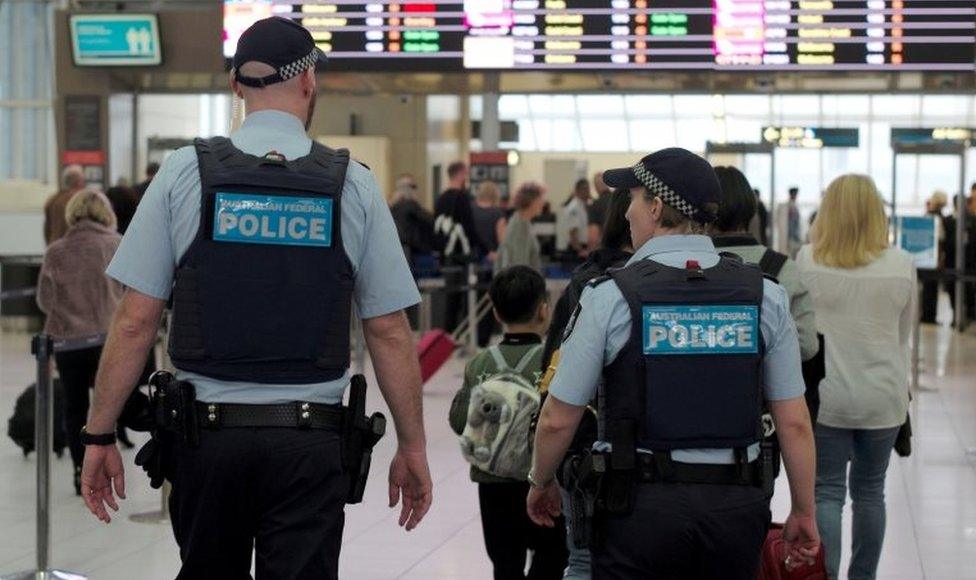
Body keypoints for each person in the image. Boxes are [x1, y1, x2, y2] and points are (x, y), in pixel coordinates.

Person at [79, 17, 433, 579]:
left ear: (236, 86)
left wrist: (99, 432)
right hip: (310, 444)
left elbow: (133, 322)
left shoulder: (182, 174)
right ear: (309, 81)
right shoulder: (354, 186)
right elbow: (388, 329)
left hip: (205, 443)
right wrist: (413, 447)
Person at [527, 148, 820, 580]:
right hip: (736, 509)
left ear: (656, 207)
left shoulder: (611, 296)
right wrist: (802, 509)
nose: (626, 212)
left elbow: (557, 418)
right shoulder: (765, 296)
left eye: (633, 199)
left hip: (637, 510)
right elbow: (793, 421)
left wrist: (540, 481)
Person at [796, 174, 914, 580]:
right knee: (870, 493)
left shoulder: (807, 259)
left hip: (828, 397)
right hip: (884, 397)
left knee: (827, 491)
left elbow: (804, 336)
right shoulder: (902, 265)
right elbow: (903, 336)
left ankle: (825, 575)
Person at [537, 188, 633, 580]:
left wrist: (542, 473)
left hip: (586, 452)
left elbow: (554, 381)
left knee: (583, 561)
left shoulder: (587, 282)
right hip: (661, 460)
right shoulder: (686, 283)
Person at [449, 266, 569, 580]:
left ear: (497, 312)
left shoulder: (480, 363)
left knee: (504, 563)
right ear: (544, 310)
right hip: (542, 481)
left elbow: (459, 420)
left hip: (493, 483)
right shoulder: (554, 360)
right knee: (551, 556)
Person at [36, 190, 124, 494]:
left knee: (75, 407)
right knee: (109, 404)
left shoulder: (56, 251)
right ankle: (108, 463)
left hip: (69, 343)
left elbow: (45, 300)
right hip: (108, 341)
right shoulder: (116, 244)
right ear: (106, 212)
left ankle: (79, 469)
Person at [711, 167, 819, 363]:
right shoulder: (785, 268)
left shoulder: (684, 267)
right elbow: (808, 346)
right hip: (765, 389)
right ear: (752, 210)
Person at [435, 161, 487, 333]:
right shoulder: (463, 198)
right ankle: (463, 334)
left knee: (451, 297)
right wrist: (486, 250)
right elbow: (469, 228)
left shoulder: (441, 198)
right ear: (461, 174)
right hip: (462, 255)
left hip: (447, 254)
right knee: (466, 297)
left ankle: (448, 334)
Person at [496, 181, 547, 273]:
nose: (543, 203)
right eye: (541, 199)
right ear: (533, 201)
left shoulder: (523, 223)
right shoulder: (520, 227)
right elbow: (519, 266)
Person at [390, 173, 435, 267]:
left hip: (412, 249)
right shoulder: (397, 207)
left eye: (411, 186)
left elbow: (429, 221)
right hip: (403, 248)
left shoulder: (414, 207)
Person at [921, 190, 949, 324]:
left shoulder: (927, 216)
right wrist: (940, 259)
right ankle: (929, 316)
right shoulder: (938, 218)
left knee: (928, 287)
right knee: (931, 288)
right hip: (933, 258)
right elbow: (940, 240)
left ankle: (927, 315)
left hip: (925, 257)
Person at [43, 165, 86, 245]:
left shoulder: (53, 200)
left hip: (54, 246)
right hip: (74, 248)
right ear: (78, 182)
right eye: (83, 180)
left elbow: (47, 229)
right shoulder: (79, 201)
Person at [556, 179, 591, 260]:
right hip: (575, 249)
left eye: (588, 189)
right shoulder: (574, 207)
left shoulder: (582, 205)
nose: (588, 192)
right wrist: (580, 251)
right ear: (579, 190)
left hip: (580, 247)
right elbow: (572, 231)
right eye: (586, 189)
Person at [775, 186, 803, 259]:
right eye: (794, 194)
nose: (795, 196)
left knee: (795, 256)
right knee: (789, 256)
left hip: (795, 236)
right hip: (789, 237)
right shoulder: (785, 206)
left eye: (796, 194)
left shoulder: (795, 206)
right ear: (791, 194)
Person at [587, 171, 613, 248]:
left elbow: (593, 237)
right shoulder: (619, 200)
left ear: (595, 187)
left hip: (605, 248)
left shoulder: (595, 205)